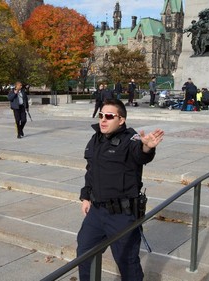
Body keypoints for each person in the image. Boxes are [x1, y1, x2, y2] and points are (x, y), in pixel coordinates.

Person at [77, 99, 164, 281]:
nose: (103, 120)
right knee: (84, 253)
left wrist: (147, 147)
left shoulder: (129, 139)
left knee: (127, 262)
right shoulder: (96, 139)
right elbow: (91, 170)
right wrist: (86, 197)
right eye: (101, 115)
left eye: (109, 116)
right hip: (97, 212)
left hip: (122, 215)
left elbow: (140, 154)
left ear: (121, 120)